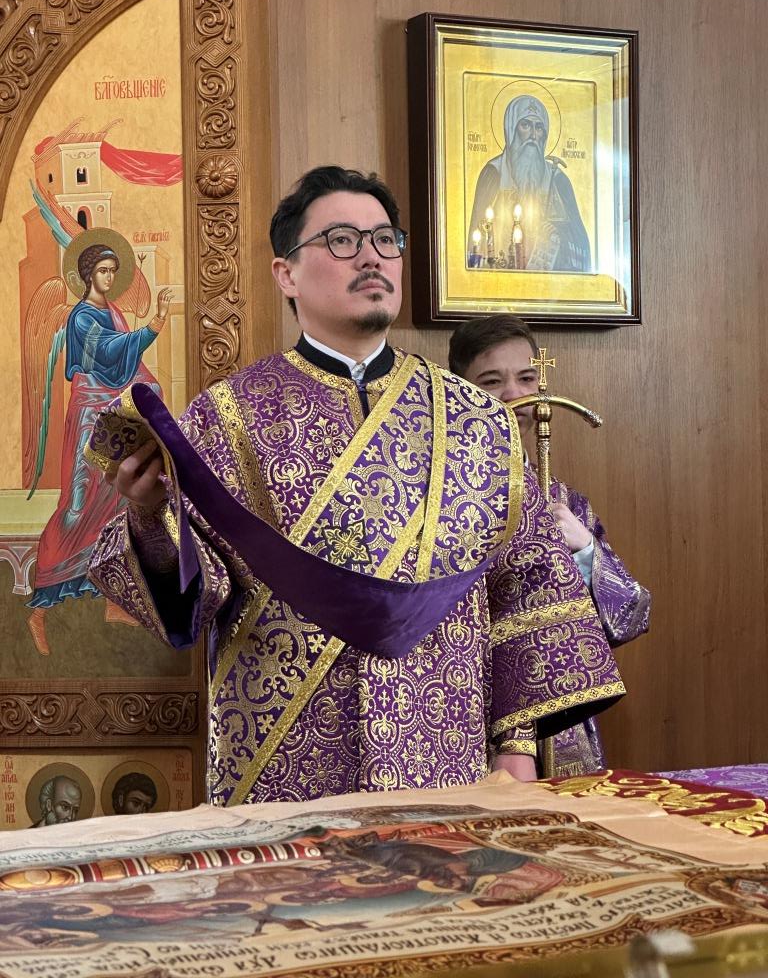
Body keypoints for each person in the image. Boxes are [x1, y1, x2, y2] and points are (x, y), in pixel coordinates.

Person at [88, 166, 625, 805]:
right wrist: (149, 516)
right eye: (342, 240)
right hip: (283, 754)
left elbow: (527, 582)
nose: (371, 256)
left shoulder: (476, 419)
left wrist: (516, 746)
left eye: (385, 239)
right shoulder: (226, 417)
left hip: (444, 753)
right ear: (286, 273)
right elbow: (190, 600)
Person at [449, 313, 650, 775]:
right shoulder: (444, 502)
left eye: (526, 378)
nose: (513, 394)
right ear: (458, 389)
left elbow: (632, 613)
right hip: (471, 710)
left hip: (558, 719)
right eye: (492, 381)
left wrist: (584, 550)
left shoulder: (564, 502)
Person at [26, 240, 173, 655]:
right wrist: (154, 325)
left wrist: (149, 393)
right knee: (77, 506)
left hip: (114, 418)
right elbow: (109, 353)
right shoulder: (81, 317)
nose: (109, 277)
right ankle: (39, 610)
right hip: (89, 417)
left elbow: (129, 368)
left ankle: (114, 601)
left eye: (113, 270)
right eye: (103, 270)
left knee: (117, 504)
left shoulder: (115, 313)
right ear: (89, 275)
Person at [467, 94, 590, 272]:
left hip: (549, 278)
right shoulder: (493, 174)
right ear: (511, 129)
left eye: (539, 128)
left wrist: (556, 234)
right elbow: (475, 240)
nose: (533, 135)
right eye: (525, 125)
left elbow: (580, 243)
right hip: (499, 276)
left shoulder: (557, 180)